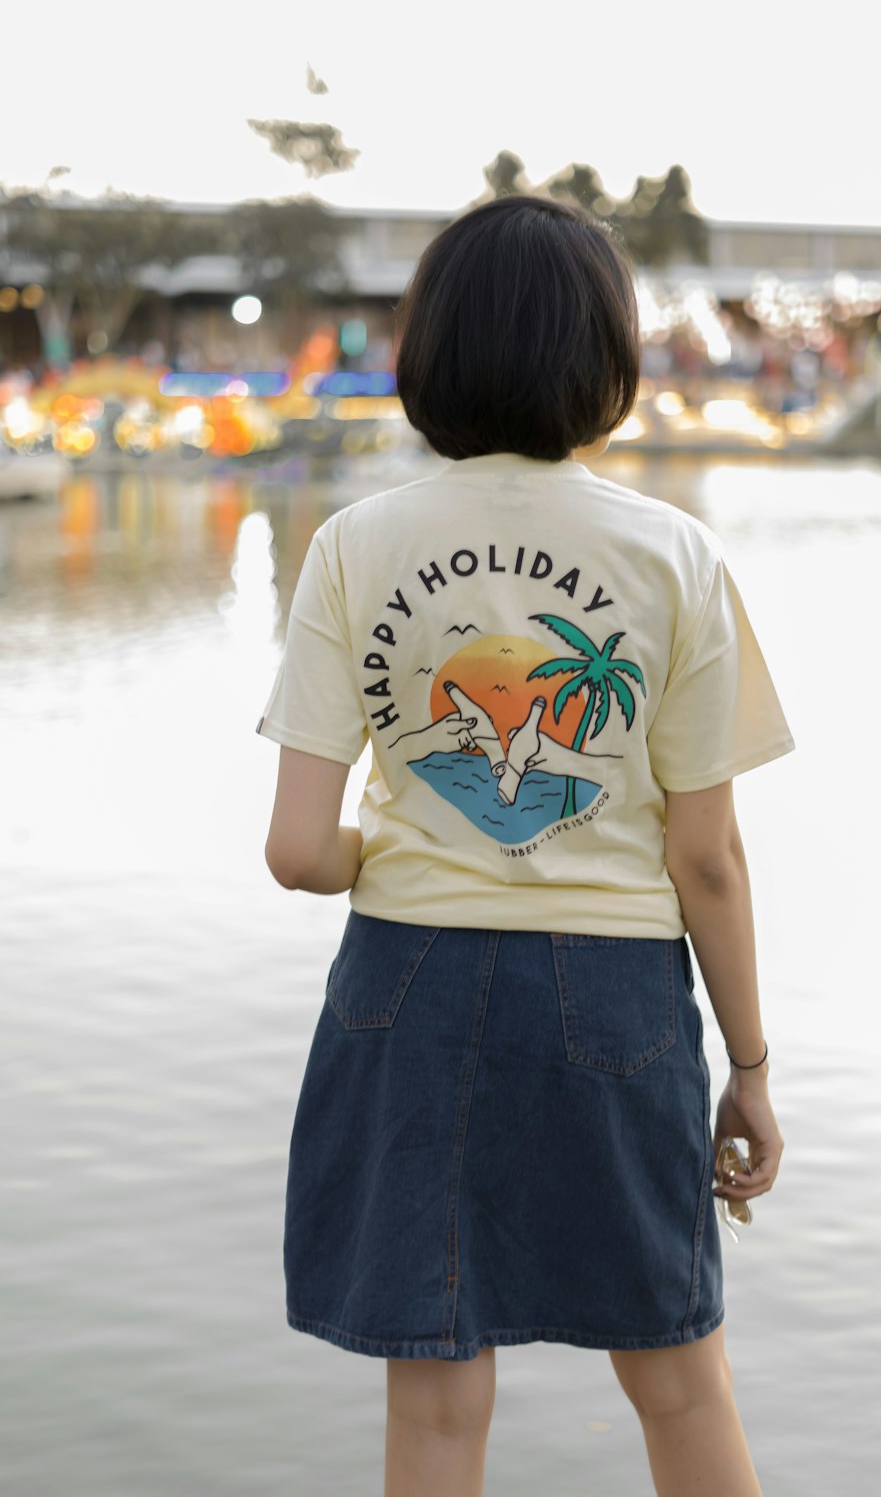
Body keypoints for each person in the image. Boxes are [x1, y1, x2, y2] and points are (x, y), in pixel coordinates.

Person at [256, 193, 795, 1497]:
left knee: (437, 1406)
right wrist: (753, 1065)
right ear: (602, 358)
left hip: (407, 988)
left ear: (428, 352)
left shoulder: (352, 545)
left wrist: (377, 858)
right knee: (678, 1378)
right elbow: (706, 857)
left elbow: (294, 849)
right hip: (612, 995)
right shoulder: (674, 555)